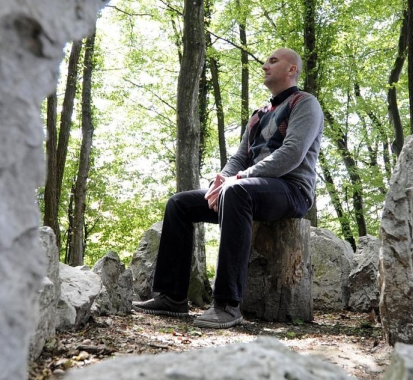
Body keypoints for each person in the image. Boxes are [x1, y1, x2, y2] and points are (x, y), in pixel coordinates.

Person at [132, 47, 323, 328]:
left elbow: (292, 153)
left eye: (272, 61)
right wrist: (217, 182)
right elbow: (238, 158)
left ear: (292, 69)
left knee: (236, 192)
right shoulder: (259, 114)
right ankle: (172, 298)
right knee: (180, 204)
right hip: (248, 188)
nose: (264, 65)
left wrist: (237, 180)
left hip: (291, 190)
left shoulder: (304, 103)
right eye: (265, 60)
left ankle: (226, 304)